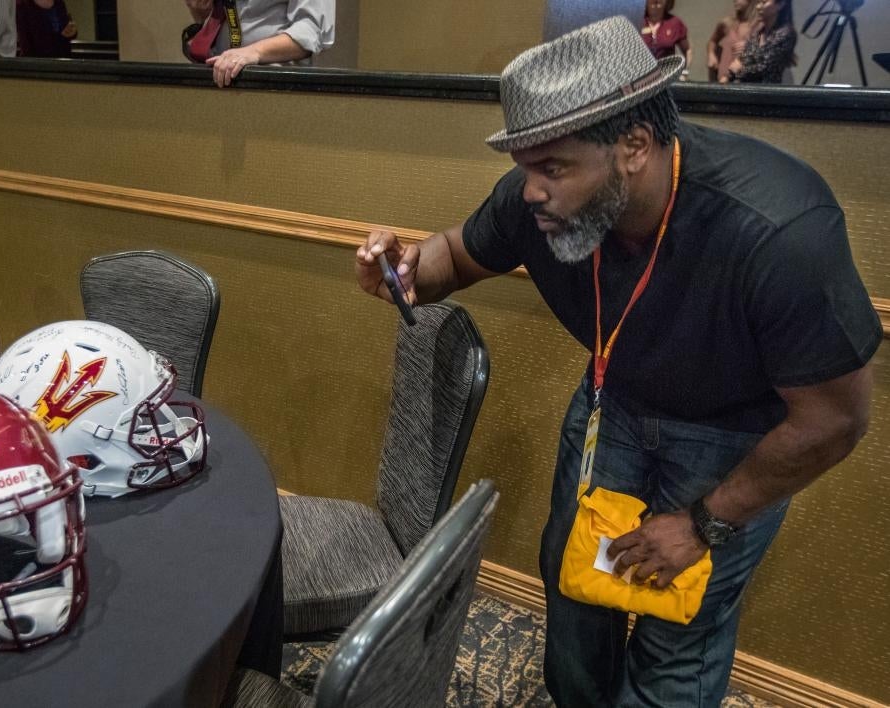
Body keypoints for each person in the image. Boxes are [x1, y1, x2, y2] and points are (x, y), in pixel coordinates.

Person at [355, 16, 880, 706]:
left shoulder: (778, 228)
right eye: (523, 167)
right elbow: (453, 256)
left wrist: (704, 523)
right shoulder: (531, 201)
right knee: (575, 588)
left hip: (735, 440)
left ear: (633, 145)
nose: (529, 190)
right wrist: (404, 269)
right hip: (616, 409)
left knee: (675, 629)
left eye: (552, 167)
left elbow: (835, 420)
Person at [183, 0, 334, 87]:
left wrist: (253, 52)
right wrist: (201, 10)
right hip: (218, 80)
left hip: (274, 87)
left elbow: (311, 31)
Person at [729, 0, 796, 83]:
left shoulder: (786, 33)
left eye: (763, 2)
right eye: (758, 2)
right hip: (746, 90)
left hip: (765, 92)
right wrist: (728, 75)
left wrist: (739, 69)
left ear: (780, 5)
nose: (758, 7)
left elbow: (764, 67)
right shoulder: (758, 33)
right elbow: (744, 59)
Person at [641, 0, 691, 80]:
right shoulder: (636, 21)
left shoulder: (675, 22)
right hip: (641, 79)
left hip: (667, 78)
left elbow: (687, 50)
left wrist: (684, 72)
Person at [707, 0, 756, 83]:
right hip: (723, 80)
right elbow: (712, 41)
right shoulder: (727, 23)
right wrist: (711, 54)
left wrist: (749, 46)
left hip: (745, 80)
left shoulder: (756, 25)